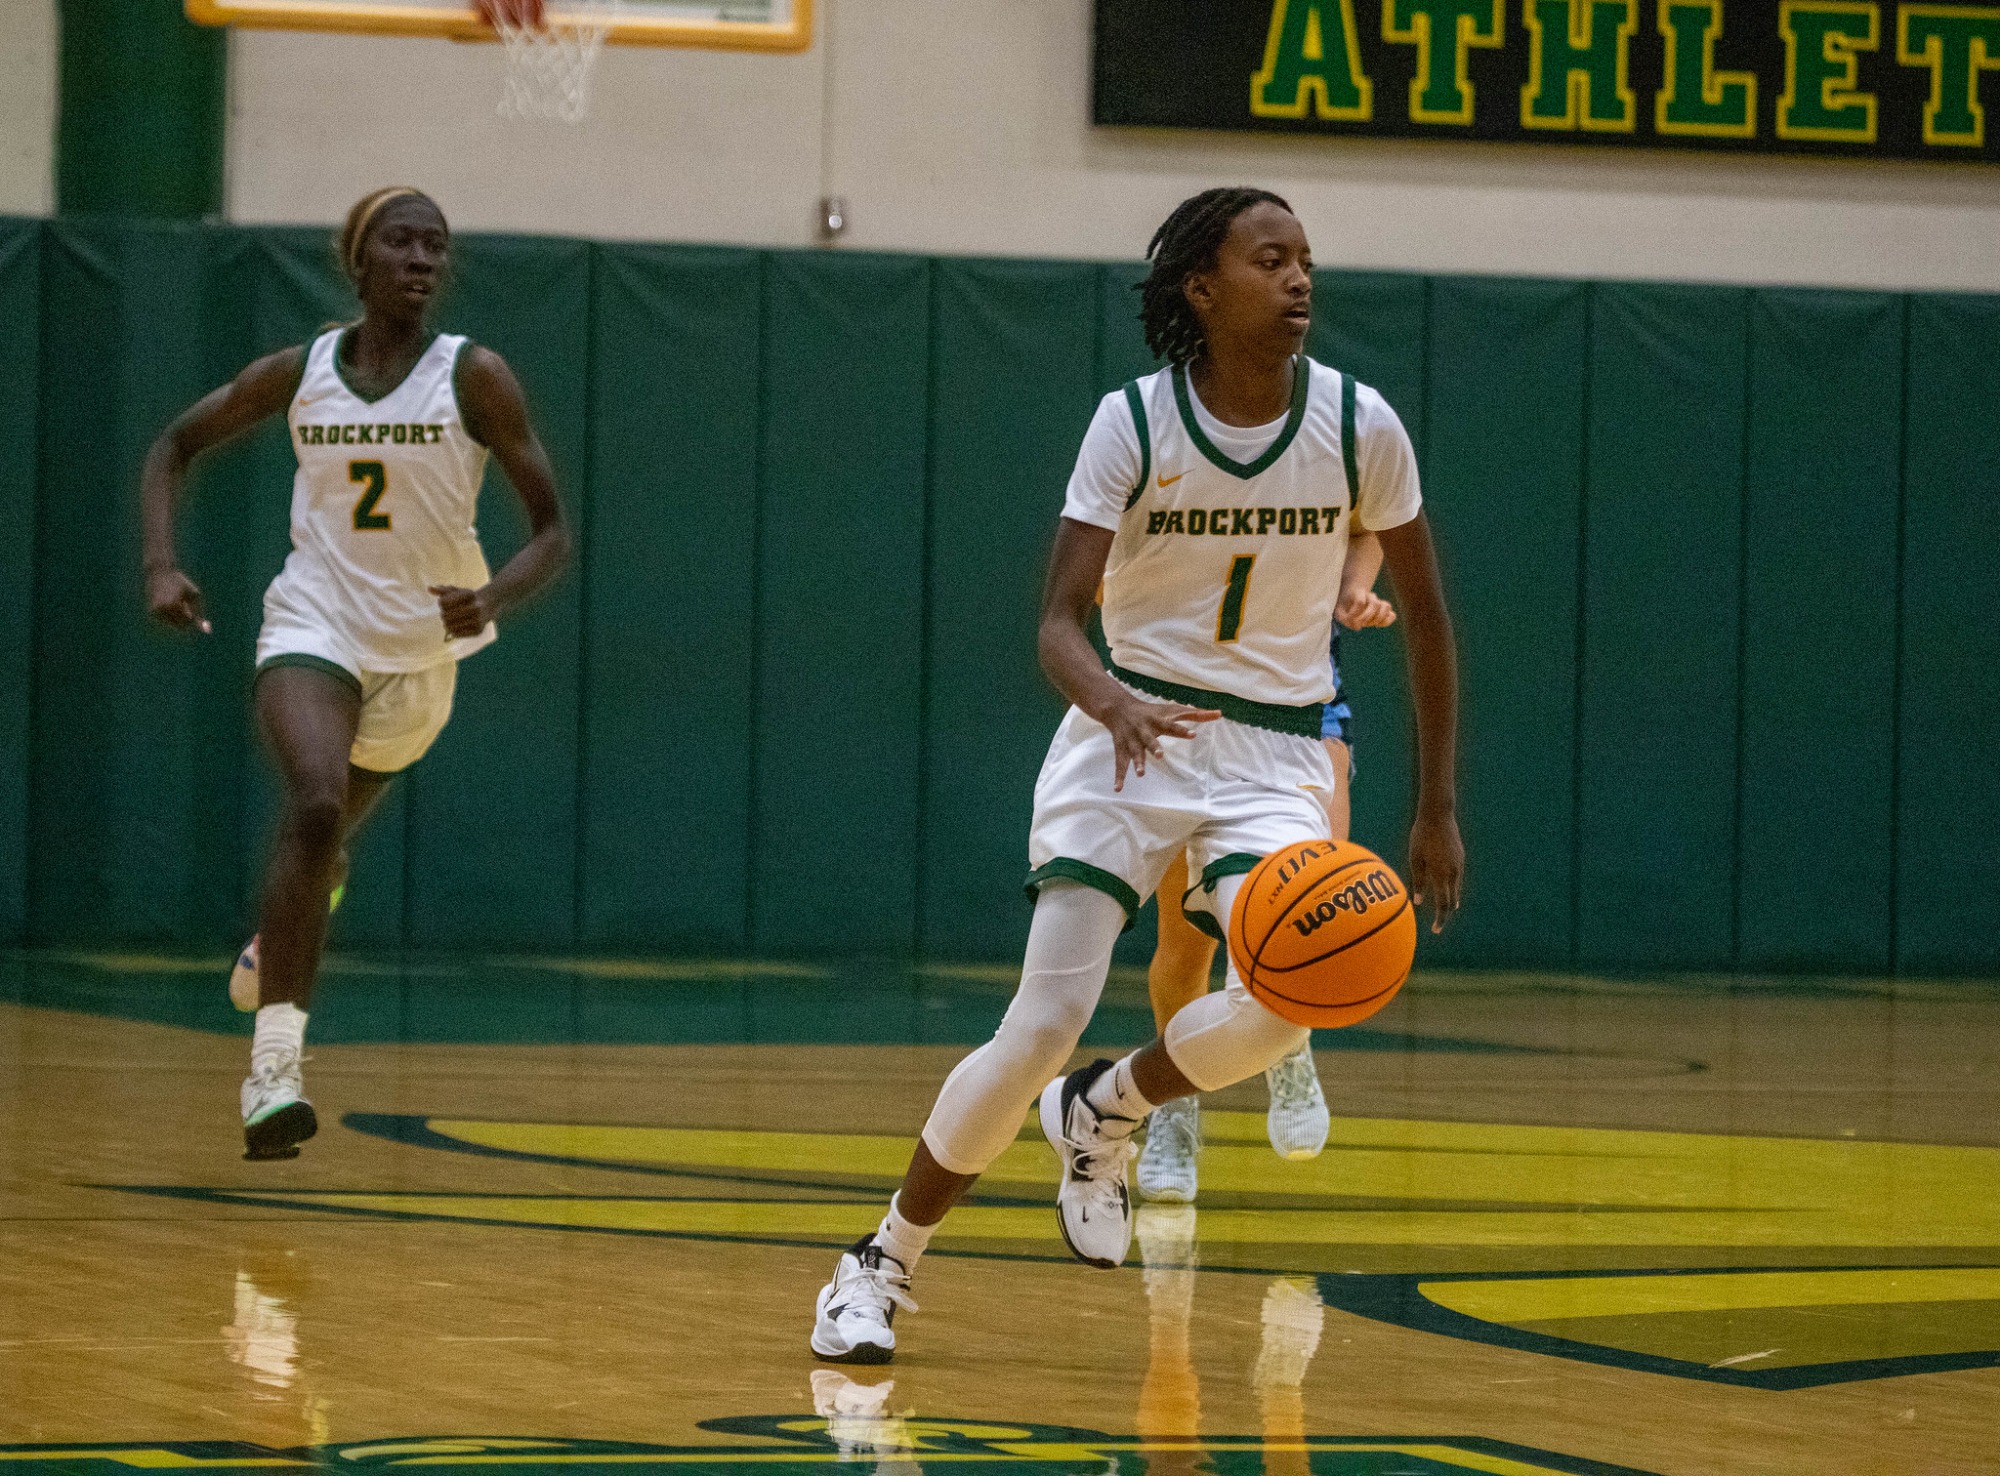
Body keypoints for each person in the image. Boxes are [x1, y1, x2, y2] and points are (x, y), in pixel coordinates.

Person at [808, 186, 1462, 1364]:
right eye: (1269, 259)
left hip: (1272, 751)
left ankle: (1106, 1107)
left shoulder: (1360, 422)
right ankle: (878, 1262)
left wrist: (1435, 807)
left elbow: (1424, 619)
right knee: (1040, 1023)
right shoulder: (1133, 422)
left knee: (1288, 1002)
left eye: (1305, 259)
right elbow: (1056, 624)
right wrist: (1112, 702)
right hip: (1127, 733)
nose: (1298, 278)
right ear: (1201, 288)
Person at [141, 186, 571, 1162]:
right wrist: (161, 563)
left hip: (421, 656)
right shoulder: (303, 373)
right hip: (315, 623)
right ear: (358, 259)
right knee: (315, 803)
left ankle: (295, 913)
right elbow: (173, 445)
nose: (421, 259)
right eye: (401, 242)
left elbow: (551, 531)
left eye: (436, 246)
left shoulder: (475, 376)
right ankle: (274, 1072)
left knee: (322, 840)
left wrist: (493, 596)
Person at [1136, 547, 1396, 1201]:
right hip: (1187, 701)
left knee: (1311, 909)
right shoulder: (1157, 480)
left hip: (1298, 704)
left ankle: (1287, 1039)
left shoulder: (1329, 471)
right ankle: (1173, 1102)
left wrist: (1354, 586)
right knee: (1184, 943)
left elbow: (1370, 519)